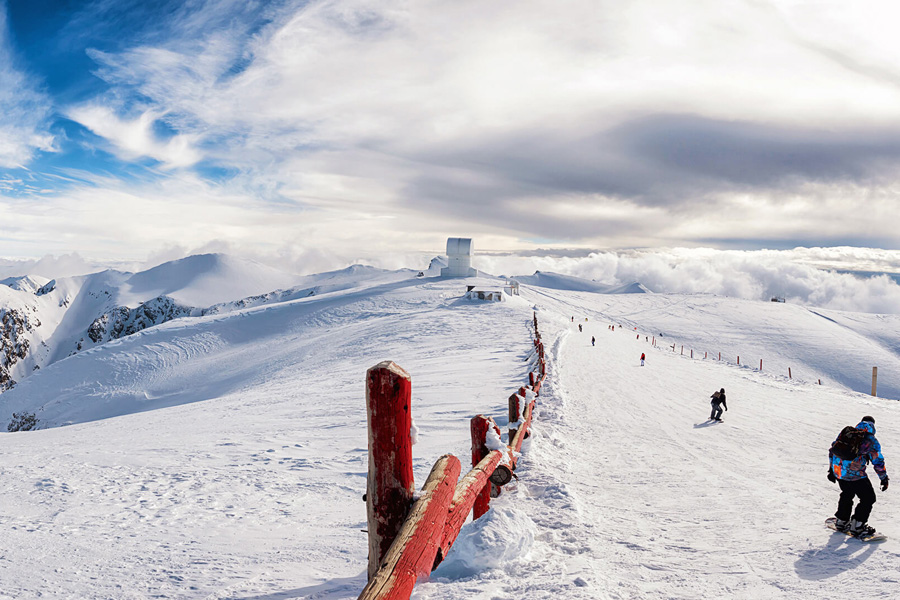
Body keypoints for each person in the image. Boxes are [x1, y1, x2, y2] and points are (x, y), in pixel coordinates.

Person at [828, 416, 889, 537]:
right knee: (868, 498)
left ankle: (841, 521)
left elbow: (833, 450)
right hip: (856, 476)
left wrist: (831, 470)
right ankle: (858, 526)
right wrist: (883, 478)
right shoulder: (870, 440)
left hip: (839, 473)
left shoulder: (847, 433)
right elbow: (878, 461)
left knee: (847, 493)